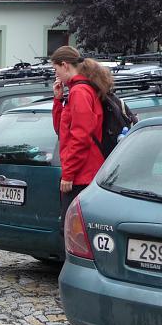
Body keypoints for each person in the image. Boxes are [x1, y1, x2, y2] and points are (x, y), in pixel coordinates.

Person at [50, 45, 111, 217]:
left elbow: (81, 137)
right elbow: (61, 131)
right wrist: (57, 100)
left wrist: (68, 174)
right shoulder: (76, 90)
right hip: (80, 173)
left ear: (65, 65)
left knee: (72, 232)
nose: (56, 74)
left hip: (82, 175)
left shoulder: (80, 92)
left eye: (56, 69)